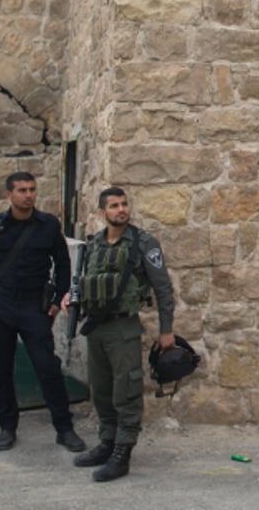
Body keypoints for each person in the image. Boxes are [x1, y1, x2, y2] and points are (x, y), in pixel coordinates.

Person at [0, 172, 87, 453]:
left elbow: (63, 264)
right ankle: (7, 427)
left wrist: (56, 301)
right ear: (9, 195)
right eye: (21, 190)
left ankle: (64, 429)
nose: (28, 195)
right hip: (0, 304)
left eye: (31, 190)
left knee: (47, 367)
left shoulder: (47, 225)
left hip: (33, 305)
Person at [62, 186, 175, 482]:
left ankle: (122, 452)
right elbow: (88, 281)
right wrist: (69, 298)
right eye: (114, 206)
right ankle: (107, 442)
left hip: (124, 328)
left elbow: (163, 289)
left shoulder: (143, 243)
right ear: (102, 213)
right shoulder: (94, 244)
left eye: (124, 204)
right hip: (97, 328)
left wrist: (166, 330)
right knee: (101, 391)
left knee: (126, 391)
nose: (121, 209)